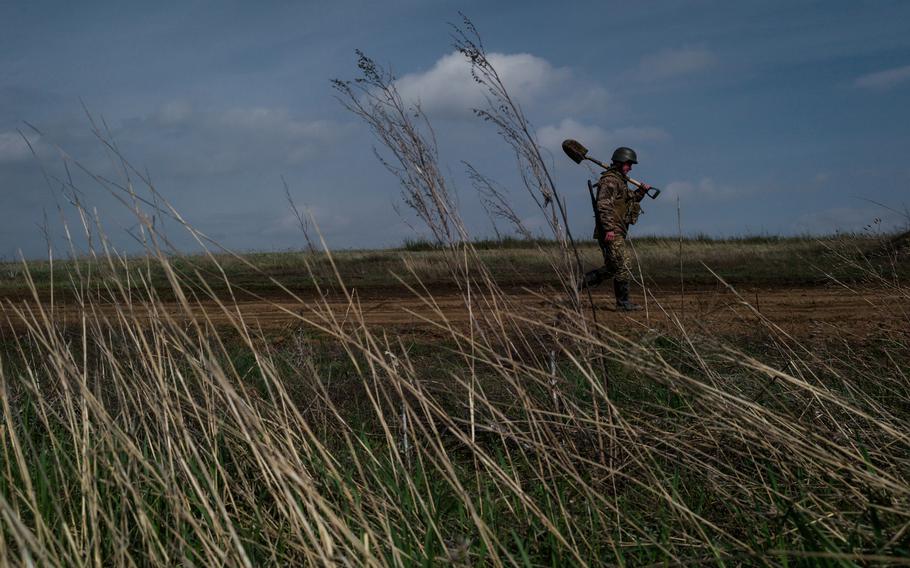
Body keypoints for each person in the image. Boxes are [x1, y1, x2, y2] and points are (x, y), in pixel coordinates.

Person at [579, 146, 650, 311]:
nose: (630, 167)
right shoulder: (610, 181)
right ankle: (623, 304)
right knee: (623, 265)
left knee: (612, 269)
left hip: (617, 230)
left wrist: (641, 192)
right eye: (628, 164)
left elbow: (628, 200)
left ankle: (576, 285)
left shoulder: (620, 180)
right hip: (612, 231)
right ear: (620, 163)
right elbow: (603, 206)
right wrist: (609, 229)